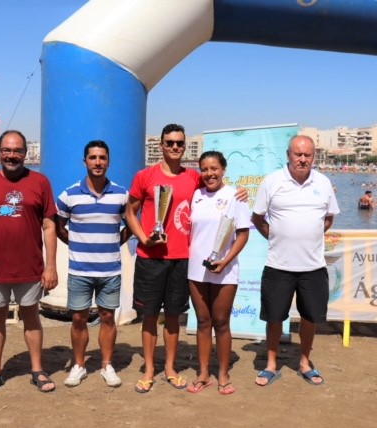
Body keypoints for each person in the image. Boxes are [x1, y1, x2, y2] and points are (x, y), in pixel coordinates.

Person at [125, 123, 247, 393]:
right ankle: (148, 369)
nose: (175, 147)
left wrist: (241, 192)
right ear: (161, 145)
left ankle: (169, 368)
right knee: (148, 316)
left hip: (183, 260)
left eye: (180, 143)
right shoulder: (144, 176)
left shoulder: (194, 177)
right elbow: (130, 212)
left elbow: (221, 190)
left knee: (172, 317)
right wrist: (144, 239)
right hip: (151, 257)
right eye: (170, 143)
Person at [0, 129, 58, 395]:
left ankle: (37, 369)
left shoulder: (40, 183)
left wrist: (50, 266)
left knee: (32, 317)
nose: (12, 155)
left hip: (30, 268)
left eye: (17, 150)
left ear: (26, 153)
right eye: (7, 150)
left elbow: (49, 226)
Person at [251, 135, 340, 387]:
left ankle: (304, 362)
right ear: (288, 155)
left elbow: (329, 218)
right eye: (298, 154)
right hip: (278, 265)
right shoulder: (272, 181)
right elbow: (257, 218)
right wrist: (276, 235)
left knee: (310, 317)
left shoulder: (323, 182)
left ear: (314, 156)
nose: (303, 159)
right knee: (275, 317)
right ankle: (270, 364)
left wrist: (308, 236)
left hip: (313, 266)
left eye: (307, 155)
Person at [55, 140, 131, 388]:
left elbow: (130, 225)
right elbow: (58, 226)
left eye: (102, 158)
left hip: (110, 270)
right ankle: (79, 365)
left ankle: (107, 366)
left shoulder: (121, 194)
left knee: (108, 317)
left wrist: (113, 243)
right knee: (79, 318)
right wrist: (76, 244)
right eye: (93, 158)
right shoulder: (69, 194)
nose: (98, 162)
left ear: (108, 161)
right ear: (84, 161)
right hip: (80, 270)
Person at [186, 151, 251, 396]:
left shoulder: (235, 196)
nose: (209, 174)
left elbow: (243, 234)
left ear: (223, 169)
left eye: (214, 168)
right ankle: (203, 373)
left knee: (221, 323)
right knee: (203, 322)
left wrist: (225, 261)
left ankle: (223, 374)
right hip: (196, 269)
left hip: (225, 270)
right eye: (204, 169)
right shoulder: (196, 196)